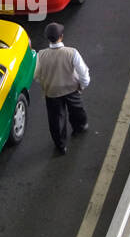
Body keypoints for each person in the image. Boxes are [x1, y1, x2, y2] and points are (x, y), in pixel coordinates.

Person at [34, 21, 89, 154]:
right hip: (72, 89)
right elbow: (83, 74)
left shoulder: (41, 55)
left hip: (52, 92)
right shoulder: (72, 52)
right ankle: (80, 127)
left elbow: (36, 76)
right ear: (61, 36)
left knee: (56, 119)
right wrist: (82, 85)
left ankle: (61, 145)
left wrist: (46, 84)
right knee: (77, 110)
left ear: (48, 38)